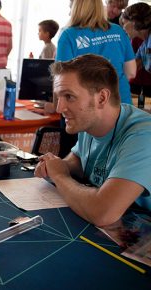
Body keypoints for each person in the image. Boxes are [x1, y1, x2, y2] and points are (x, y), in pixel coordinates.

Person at [35, 54, 151, 227]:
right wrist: (58, 165)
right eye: (58, 97)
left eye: (69, 96)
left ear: (102, 98)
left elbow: (103, 213)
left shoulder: (143, 135)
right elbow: (79, 158)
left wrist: (59, 175)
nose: (60, 108)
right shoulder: (90, 121)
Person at [56, 0, 136, 105]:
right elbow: (131, 73)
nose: (70, 12)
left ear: (76, 7)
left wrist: (54, 105)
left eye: (71, 7)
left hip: (86, 106)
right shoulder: (118, 30)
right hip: (120, 102)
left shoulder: (68, 35)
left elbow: (62, 77)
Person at [120, 2, 151, 98]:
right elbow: (133, 66)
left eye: (124, 23)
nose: (123, 28)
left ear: (134, 21)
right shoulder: (144, 44)